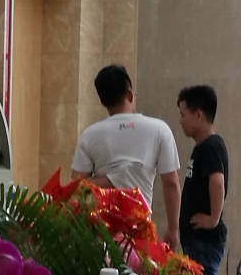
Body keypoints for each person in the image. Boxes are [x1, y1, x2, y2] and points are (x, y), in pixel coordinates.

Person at [71, 64, 181, 247]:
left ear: (103, 102)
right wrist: (173, 228)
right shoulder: (159, 129)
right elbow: (171, 183)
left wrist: (110, 180)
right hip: (139, 232)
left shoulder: (89, 135)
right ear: (130, 95)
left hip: (100, 233)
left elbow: (75, 187)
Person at [177, 85, 228, 275]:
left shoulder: (210, 146)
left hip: (204, 240)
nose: (180, 121)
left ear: (198, 115)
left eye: (183, 114)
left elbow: (217, 183)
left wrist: (213, 219)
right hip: (196, 239)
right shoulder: (203, 147)